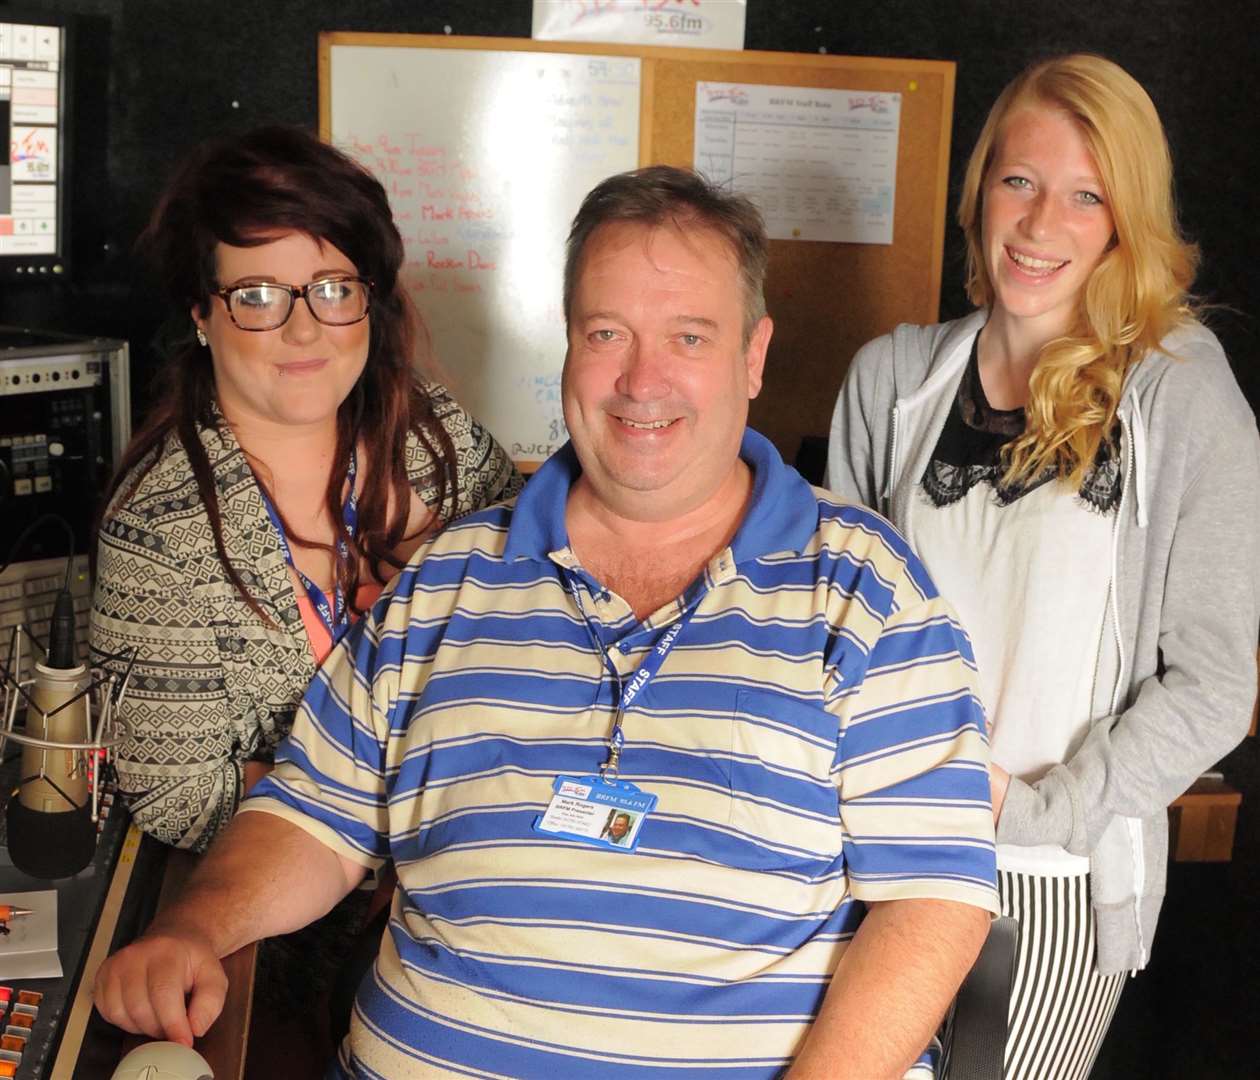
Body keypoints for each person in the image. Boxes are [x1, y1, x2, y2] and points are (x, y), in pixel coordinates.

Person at [94, 165, 998, 1079]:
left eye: (689, 336)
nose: (643, 381)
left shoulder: (868, 591)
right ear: (567, 342)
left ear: (753, 356)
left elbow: (932, 900)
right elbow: (314, 812)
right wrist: (198, 926)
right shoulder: (447, 577)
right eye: (608, 333)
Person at [828, 54, 1260, 1080]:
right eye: (1019, 180)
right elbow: (828, 625)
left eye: (1085, 195)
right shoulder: (891, 378)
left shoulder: (1181, 394)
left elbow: (1215, 684)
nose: (1039, 222)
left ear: (1125, 219)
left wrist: (1037, 809)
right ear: (979, 189)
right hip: (871, 856)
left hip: (1050, 876)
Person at [91, 125, 520, 852]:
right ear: (202, 312)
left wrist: (460, 592)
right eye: (258, 296)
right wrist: (408, 796)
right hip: (298, 914)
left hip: (487, 859)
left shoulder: (433, 437)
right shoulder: (158, 532)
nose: (304, 331)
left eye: (332, 289)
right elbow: (181, 797)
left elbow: (550, 620)